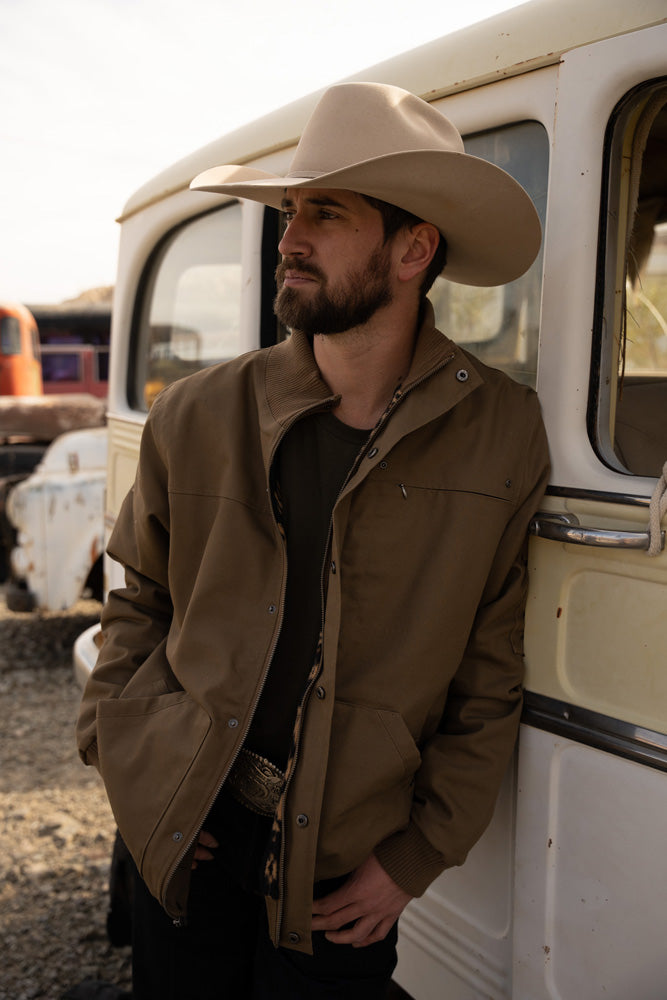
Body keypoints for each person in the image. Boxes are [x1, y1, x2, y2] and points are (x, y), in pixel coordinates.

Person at [76, 81, 550, 999]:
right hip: (184, 827)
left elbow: (489, 670)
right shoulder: (203, 411)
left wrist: (414, 859)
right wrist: (129, 763)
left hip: (344, 867)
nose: (288, 239)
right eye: (290, 212)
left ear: (414, 248)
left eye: (323, 214)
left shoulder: (500, 431)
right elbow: (137, 604)